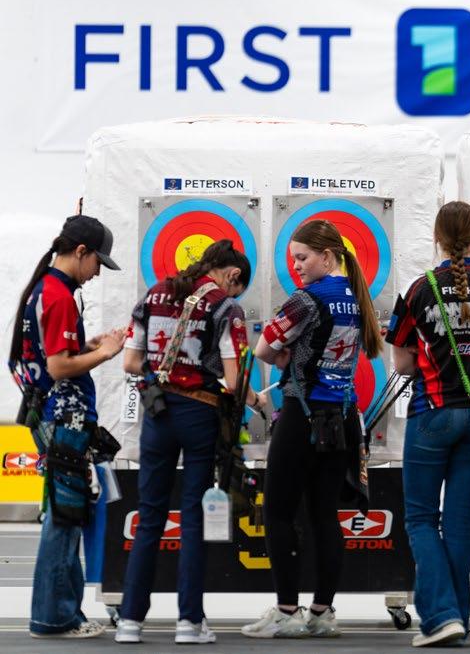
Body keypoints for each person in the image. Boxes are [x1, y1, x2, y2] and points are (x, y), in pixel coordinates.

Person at [242, 219, 383, 639]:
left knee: (278, 512)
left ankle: (287, 611)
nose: (297, 266)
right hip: (342, 418)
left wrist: (283, 359)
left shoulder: (306, 299)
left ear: (327, 255)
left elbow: (263, 348)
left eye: (302, 257)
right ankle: (321, 613)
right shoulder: (356, 296)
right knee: (324, 515)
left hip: (302, 416)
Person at [386, 201, 470, 647]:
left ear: (437, 238)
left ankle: (441, 617)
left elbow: (403, 364)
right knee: (458, 524)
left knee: (421, 519)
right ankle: (456, 619)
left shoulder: (420, 289)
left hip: (432, 414)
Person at [115, 239, 252, 645]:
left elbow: (130, 362)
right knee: (193, 517)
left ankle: (129, 621)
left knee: (149, 516)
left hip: (157, 413)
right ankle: (189, 623)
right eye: (236, 285)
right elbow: (234, 381)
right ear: (232, 274)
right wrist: (257, 400)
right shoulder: (226, 308)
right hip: (200, 414)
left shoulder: (154, 294)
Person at [9, 215, 125, 640]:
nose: (97, 273)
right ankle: (54, 617)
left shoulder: (42, 290)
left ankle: (63, 613)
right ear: (80, 251)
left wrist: (86, 346)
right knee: (65, 518)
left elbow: (42, 359)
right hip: (66, 420)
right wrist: (107, 352)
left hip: (49, 416)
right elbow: (59, 367)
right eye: (97, 262)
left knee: (66, 515)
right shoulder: (58, 295)